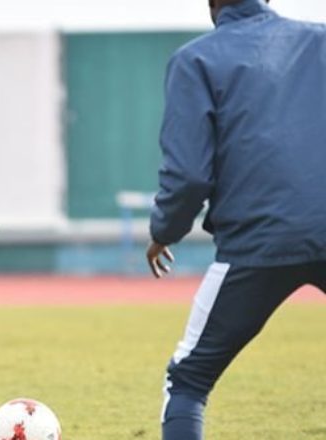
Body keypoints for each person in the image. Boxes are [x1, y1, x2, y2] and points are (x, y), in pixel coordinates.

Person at [145, 0, 326, 439]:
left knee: (188, 380)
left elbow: (189, 175)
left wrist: (164, 232)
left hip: (255, 245)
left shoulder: (195, 60)